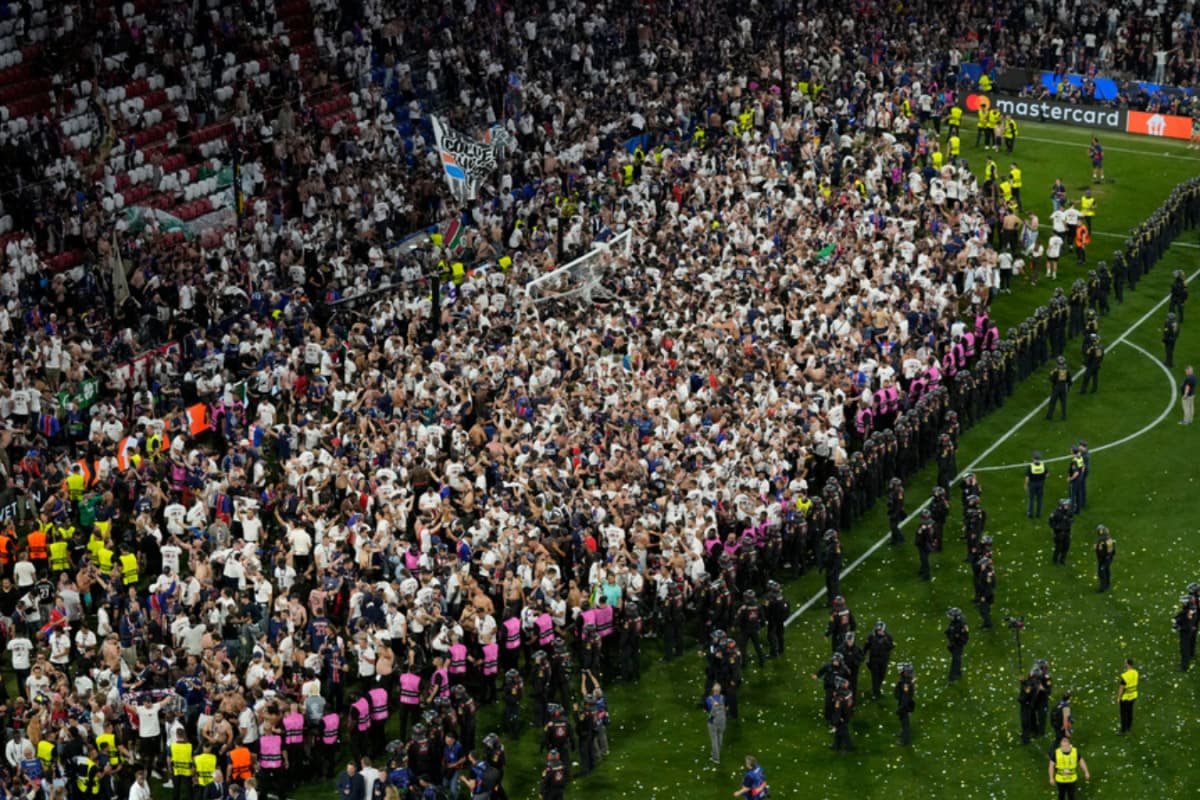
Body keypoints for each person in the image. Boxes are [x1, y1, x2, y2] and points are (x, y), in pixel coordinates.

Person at [866, 621, 895, 700]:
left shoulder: (888, 637)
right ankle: (876, 692)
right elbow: (866, 646)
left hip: (883, 660)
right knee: (875, 677)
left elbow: (891, 647)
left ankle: (877, 688)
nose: (880, 632)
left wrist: (886, 641)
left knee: (882, 676)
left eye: (881, 630)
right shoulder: (871, 637)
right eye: (878, 631)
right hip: (874, 660)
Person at [945, 608, 969, 684]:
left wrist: (956, 638)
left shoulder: (961, 625)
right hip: (954, 643)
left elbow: (964, 636)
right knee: (957, 659)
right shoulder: (955, 622)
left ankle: (952, 678)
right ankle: (958, 673)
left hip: (958, 644)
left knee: (955, 660)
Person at [704, 683, 727, 764]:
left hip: (713, 721)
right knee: (720, 735)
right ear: (719, 690)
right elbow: (725, 707)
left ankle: (715, 758)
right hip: (722, 720)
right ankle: (716, 751)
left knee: (714, 739)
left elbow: (708, 709)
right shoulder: (723, 698)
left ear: (713, 690)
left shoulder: (709, 699)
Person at [894, 662, 916, 746]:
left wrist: (901, 708)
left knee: (905, 722)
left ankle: (905, 740)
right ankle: (903, 732)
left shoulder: (906, 683)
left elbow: (906, 697)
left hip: (904, 705)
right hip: (904, 703)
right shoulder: (906, 680)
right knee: (903, 720)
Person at [1174, 595, 1198, 672]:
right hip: (1188, 631)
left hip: (1186, 633)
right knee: (1186, 648)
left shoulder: (1189, 613)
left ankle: (1184, 667)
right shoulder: (1192, 610)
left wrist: (1179, 627)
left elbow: (1188, 624)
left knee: (1184, 649)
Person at [1117, 658, 1138, 735]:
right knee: (1130, 712)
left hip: (1126, 697)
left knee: (1124, 714)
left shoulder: (1125, 676)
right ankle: (1129, 727)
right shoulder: (1135, 673)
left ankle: (1123, 730)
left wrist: (1118, 697)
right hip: (1133, 695)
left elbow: (1121, 688)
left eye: (1125, 663)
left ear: (1128, 664)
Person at [1049, 499, 1074, 565]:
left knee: (1066, 546)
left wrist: (1069, 521)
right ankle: (1055, 560)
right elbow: (1051, 522)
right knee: (1058, 547)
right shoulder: (1056, 514)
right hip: (1059, 533)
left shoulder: (1068, 513)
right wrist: (1056, 527)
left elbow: (1072, 520)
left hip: (1067, 532)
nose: (1067, 506)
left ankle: (1062, 560)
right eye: (1066, 505)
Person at [1025, 451, 1047, 518]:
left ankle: (1030, 514)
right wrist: (1042, 477)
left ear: (1033, 458)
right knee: (1039, 500)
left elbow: (1027, 477)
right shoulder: (1043, 465)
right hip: (1041, 484)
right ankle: (1038, 514)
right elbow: (1047, 474)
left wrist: (1026, 484)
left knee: (1031, 499)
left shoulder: (1030, 466)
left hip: (1032, 484)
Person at [1094, 525, 1116, 593]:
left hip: (1105, 559)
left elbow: (1110, 552)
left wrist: (1106, 559)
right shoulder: (1103, 540)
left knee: (1102, 572)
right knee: (1106, 571)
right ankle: (1106, 585)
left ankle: (1103, 587)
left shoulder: (1107, 540)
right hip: (1102, 559)